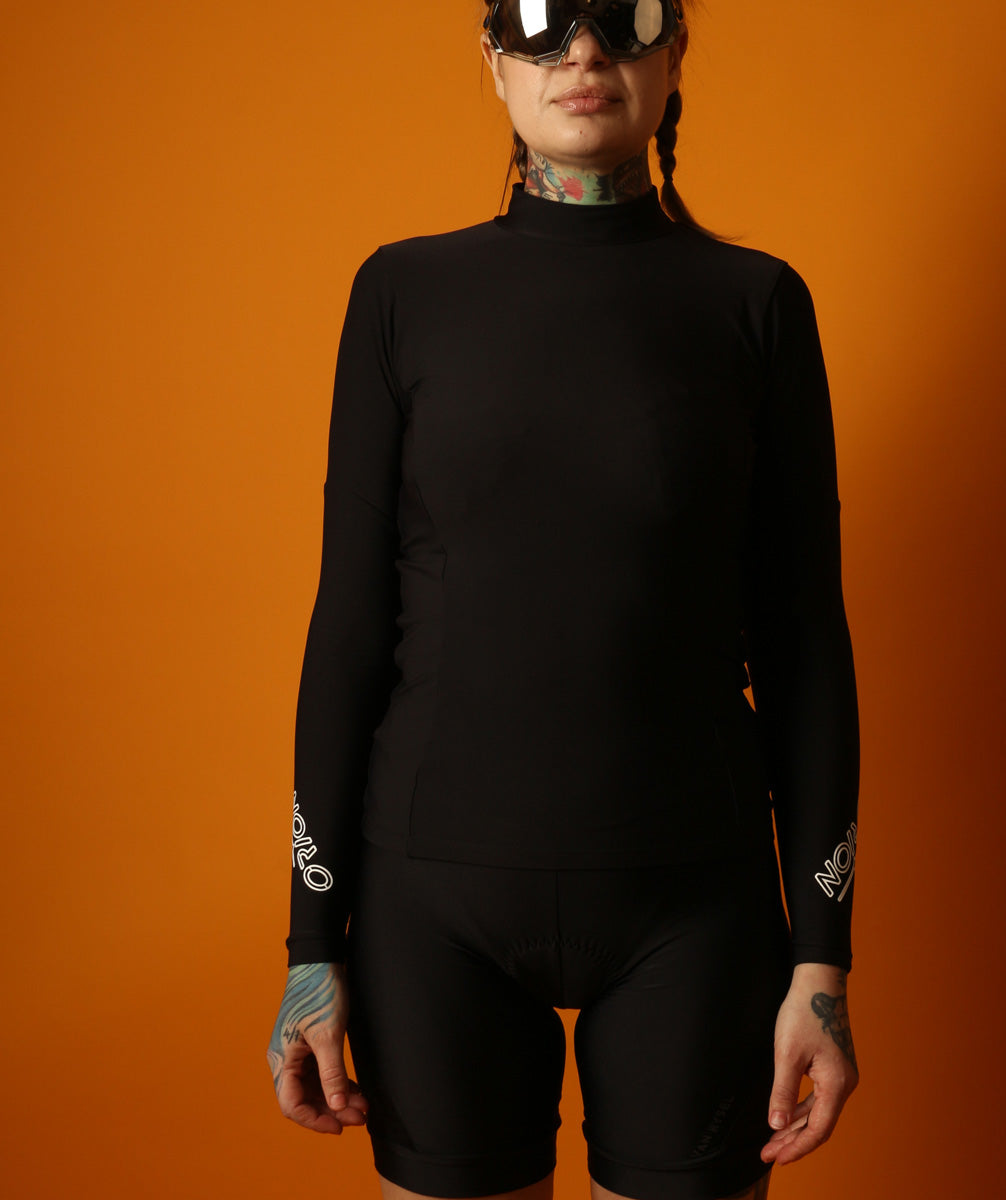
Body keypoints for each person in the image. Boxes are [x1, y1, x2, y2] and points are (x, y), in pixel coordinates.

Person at [267, 3, 861, 1198]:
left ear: (674, 52)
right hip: (429, 906)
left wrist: (821, 961)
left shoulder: (757, 303)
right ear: (492, 59)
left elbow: (806, 648)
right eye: (539, 22)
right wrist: (311, 946)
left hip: (692, 905)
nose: (581, 52)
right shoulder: (402, 293)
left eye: (624, 18)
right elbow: (348, 630)